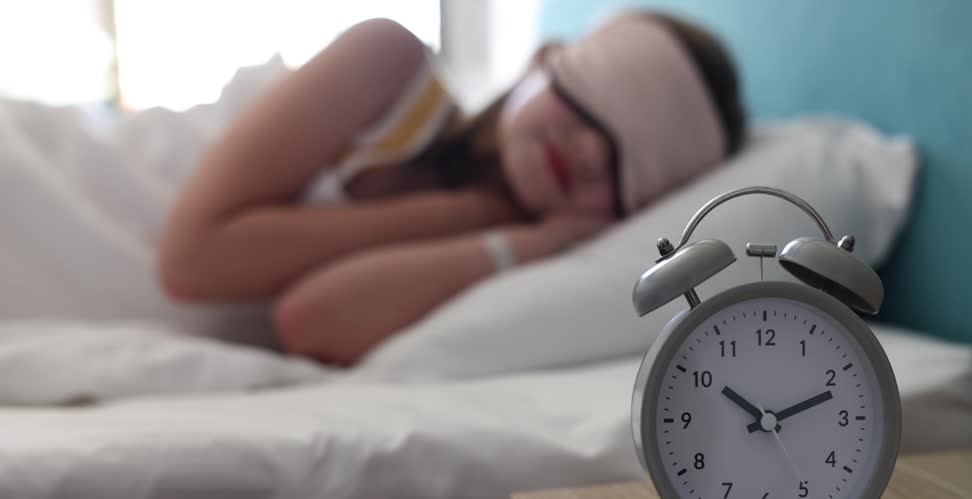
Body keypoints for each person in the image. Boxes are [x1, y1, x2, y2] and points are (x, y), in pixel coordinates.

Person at [158, 12, 744, 365]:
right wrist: (471, 213)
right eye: (593, 106)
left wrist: (523, 243)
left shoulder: (507, 256)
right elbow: (190, 261)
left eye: (626, 163)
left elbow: (308, 320)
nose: (590, 152)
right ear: (543, 60)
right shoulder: (386, 62)